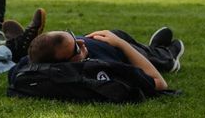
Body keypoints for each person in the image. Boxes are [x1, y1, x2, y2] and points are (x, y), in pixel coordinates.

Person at [26, 27, 183, 90]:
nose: (81, 42)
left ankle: (154, 49)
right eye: (76, 48)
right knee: (152, 58)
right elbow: (160, 83)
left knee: (146, 51)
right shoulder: (103, 68)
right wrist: (121, 44)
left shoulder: (33, 60)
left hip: (109, 37)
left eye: (73, 36)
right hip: (120, 50)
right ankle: (167, 58)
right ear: (65, 65)